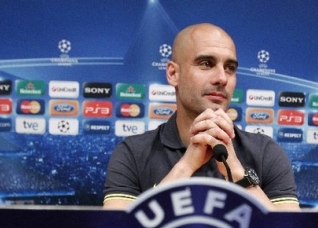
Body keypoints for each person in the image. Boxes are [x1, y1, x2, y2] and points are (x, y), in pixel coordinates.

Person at [103, 23, 299, 210]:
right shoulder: (132, 153)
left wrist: (237, 172)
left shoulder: (267, 153)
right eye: (206, 64)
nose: (222, 78)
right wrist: (186, 166)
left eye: (230, 68)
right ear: (173, 74)